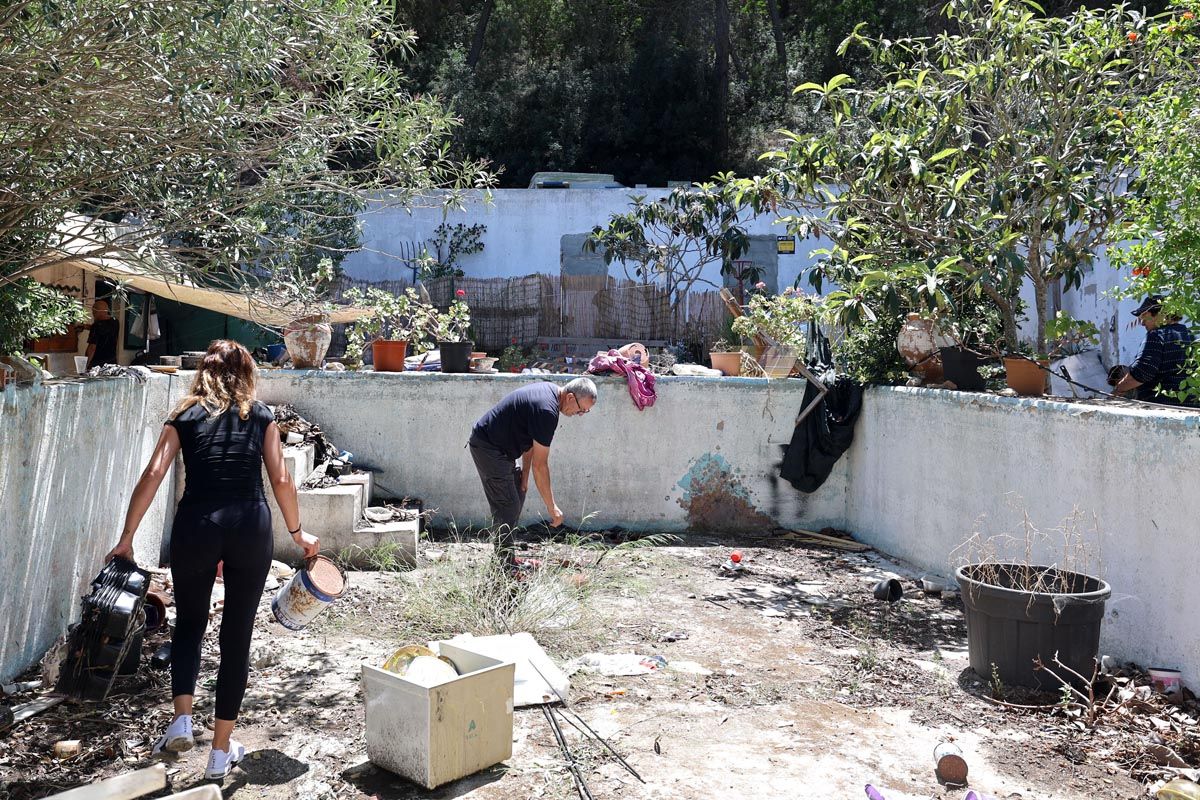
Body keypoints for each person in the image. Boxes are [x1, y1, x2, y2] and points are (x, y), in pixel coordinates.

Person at [105, 340, 319, 781]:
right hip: (249, 526)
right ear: (247, 374)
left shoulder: (182, 416)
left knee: (189, 626)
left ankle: (182, 718)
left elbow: (153, 473)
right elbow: (280, 478)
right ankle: (220, 752)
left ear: (202, 371)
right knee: (236, 636)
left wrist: (127, 537)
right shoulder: (260, 416)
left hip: (196, 526)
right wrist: (298, 534)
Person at [468, 377, 598, 570]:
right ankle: (504, 566)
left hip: (500, 449)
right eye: (581, 409)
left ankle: (507, 559)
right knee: (508, 505)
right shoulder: (547, 411)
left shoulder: (549, 392)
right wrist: (551, 507)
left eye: (585, 412)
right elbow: (541, 465)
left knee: (517, 496)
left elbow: (530, 445)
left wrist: (524, 477)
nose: (580, 414)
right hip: (489, 448)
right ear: (570, 398)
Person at [1113, 295, 1196, 406]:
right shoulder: (1191, 337)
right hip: (1192, 407)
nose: (1142, 323)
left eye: (1144, 316)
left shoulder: (1156, 336)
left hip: (1162, 408)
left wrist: (1118, 390)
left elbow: (1143, 372)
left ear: (1160, 314)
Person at [85, 299, 119, 370]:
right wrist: (86, 327)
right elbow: (104, 330)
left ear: (96, 312)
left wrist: (86, 364)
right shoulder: (115, 322)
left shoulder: (96, 326)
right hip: (111, 362)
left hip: (97, 364)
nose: (93, 314)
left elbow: (92, 348)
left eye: (93, 312)